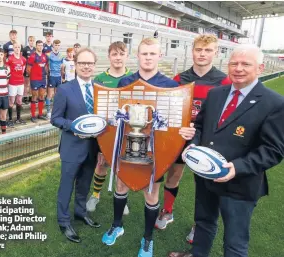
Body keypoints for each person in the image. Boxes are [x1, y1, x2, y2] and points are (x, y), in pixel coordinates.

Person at [168, 44, 284, 257]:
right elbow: (200, 126)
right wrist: (193, 145)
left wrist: (237, 168)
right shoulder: (216, 94)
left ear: (260, 68)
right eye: (234, 63)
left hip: (240, 183)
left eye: (245, 64)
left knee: (235, 241)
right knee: (204, 222)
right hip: (206, 176)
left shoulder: (274, 103)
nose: (238, 68)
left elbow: (273, 149)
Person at [101, 38, 195, 257]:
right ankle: (117, 226)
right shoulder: (125, 81)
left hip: (155, 151)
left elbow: (174, 122)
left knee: (151, 194)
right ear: (138, 56)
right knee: (122, 186)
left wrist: (184, 131)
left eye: (152, 54)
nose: (148, 58)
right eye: (144, 54)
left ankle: (147, 239)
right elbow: (117, 115)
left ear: (159, 56)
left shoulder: (170, 86)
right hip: (127, 146)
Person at [157, 35, 231, 244]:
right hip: (181, 138)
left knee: (206, 184)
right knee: (174, 175)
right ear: (192, 51)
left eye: (207, 51)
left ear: (215, 53)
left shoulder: (223, 81)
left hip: (208, 140)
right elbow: (169, 109)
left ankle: (201, 223)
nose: (202, 54)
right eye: (199, 49)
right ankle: (167, 211)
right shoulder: (180, 79)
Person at [51, 47, 101, 244]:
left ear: (94, 66)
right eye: (82, 63)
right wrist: (74, 126)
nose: (86, 66)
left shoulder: (99, 88)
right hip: (72, 146)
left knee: (84, 183)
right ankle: (64, 221)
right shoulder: (65, 89)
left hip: (92, 147)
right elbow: (55, 118)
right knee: (66, 185)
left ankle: (80, 212)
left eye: (90, 63)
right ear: (76, 65)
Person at [86, 41, 133, 214]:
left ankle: (122, 198)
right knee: (101, 163)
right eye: (114, 54)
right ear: (109, 57)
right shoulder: (100, 79)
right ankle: (96, 194)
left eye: (121, 54)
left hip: (127, 131)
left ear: (127, 56)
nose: (118, 57)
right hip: (105, 130)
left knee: (124, 165)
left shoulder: (134, 77)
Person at [6, 41, 27, 126]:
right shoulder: (10, 59)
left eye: (19, 47)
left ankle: (18, 119)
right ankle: (10, 119)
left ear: (20, 48)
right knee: (11, 101)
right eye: (16, 47)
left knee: (19, 100)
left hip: (20, 83)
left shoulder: (23, 59)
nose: (17, 49)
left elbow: (22, 71)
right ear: (13, 48)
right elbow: (8, 72)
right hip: (12, 83)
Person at [27, 40, 48, 123]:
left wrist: (45, 74)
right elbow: (28, 69)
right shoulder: (32, 56)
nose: (40, 47)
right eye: (38, 45)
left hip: (43, 79)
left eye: (41, 45)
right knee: (34, 97)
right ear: (36, 46)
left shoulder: (45, 56)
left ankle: (40, 114)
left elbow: (46, 67)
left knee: (42, 96)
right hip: (35, 79)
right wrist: (32, 77)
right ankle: (33, 115)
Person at [46, 39, 63, 119]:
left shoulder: (61, 55)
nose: (57, 46)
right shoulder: (49, 54)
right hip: (52, 76)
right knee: (50, 94)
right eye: (56, 45)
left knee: (57, 95)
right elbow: (46, 66)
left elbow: (62, 67)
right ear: (53, 45)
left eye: (58, 45)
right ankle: (48, 112)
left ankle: (56, 111)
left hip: (59, 77)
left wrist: (62, 77)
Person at [22, 36, 35, 105]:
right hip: (27, 69)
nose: (31, 42)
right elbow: (23, 60)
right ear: (28, 41)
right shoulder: (25, 49)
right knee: (26, 84)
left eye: (33, 40)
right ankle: (25, 97)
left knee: (31, 84)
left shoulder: (35, 49)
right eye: (30, 40)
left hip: (34, 69)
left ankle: (30, 97)